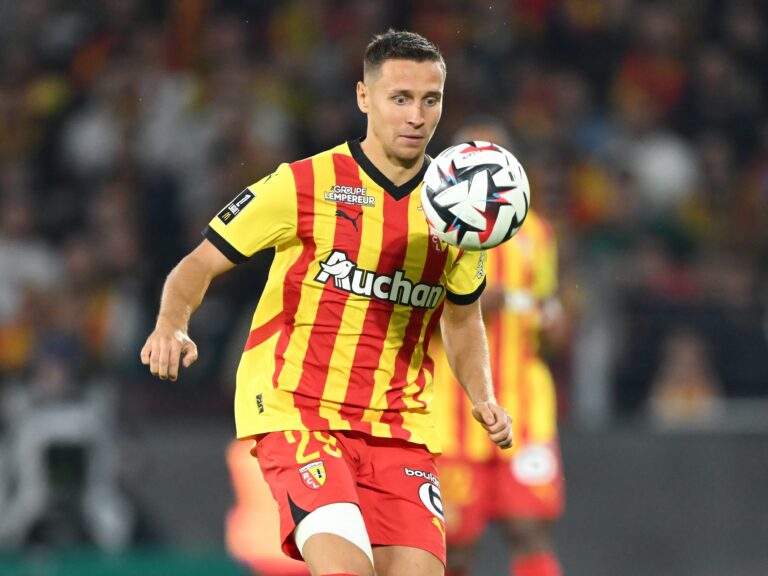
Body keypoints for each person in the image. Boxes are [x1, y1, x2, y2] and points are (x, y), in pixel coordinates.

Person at [140, 30, 513, 576]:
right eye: (400, 99)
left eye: (430, 100)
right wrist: (171, 325)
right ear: (365, 97)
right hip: (300, 413)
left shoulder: (457, 212)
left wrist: (483, 396)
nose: (416, 116)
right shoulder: (303, 184)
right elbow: (196, 264)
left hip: (399, 428)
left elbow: (461, 317)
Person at [431, 122, 566, 576]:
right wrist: (458, 305)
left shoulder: (537, 233)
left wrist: (556, 325)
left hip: (524, 411)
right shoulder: (431, 228)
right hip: (451, 416)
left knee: (530, 531)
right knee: (454, 551)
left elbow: (546, 311)